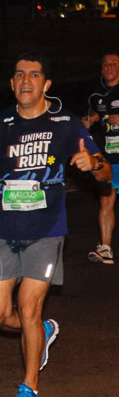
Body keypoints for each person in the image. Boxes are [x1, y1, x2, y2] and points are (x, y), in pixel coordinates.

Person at [0, 53, 111, 397]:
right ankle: (43, 332)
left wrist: (92, 163)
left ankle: (29, 387)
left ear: (46, 84)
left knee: (28, 308)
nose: (26, 80)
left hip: (46, 230)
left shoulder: (66, 124)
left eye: (34, 74)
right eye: (19, 74)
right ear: (12, 84)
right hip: (1, 231)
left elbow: (106, 173)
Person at [82, 52, 119, 264]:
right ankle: (105, 249)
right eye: (105, 64)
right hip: (110, 157)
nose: (109, 68)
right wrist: (90, 120)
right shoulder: (97, 95)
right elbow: (97, 113)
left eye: (114, 64)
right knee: (106, 201)